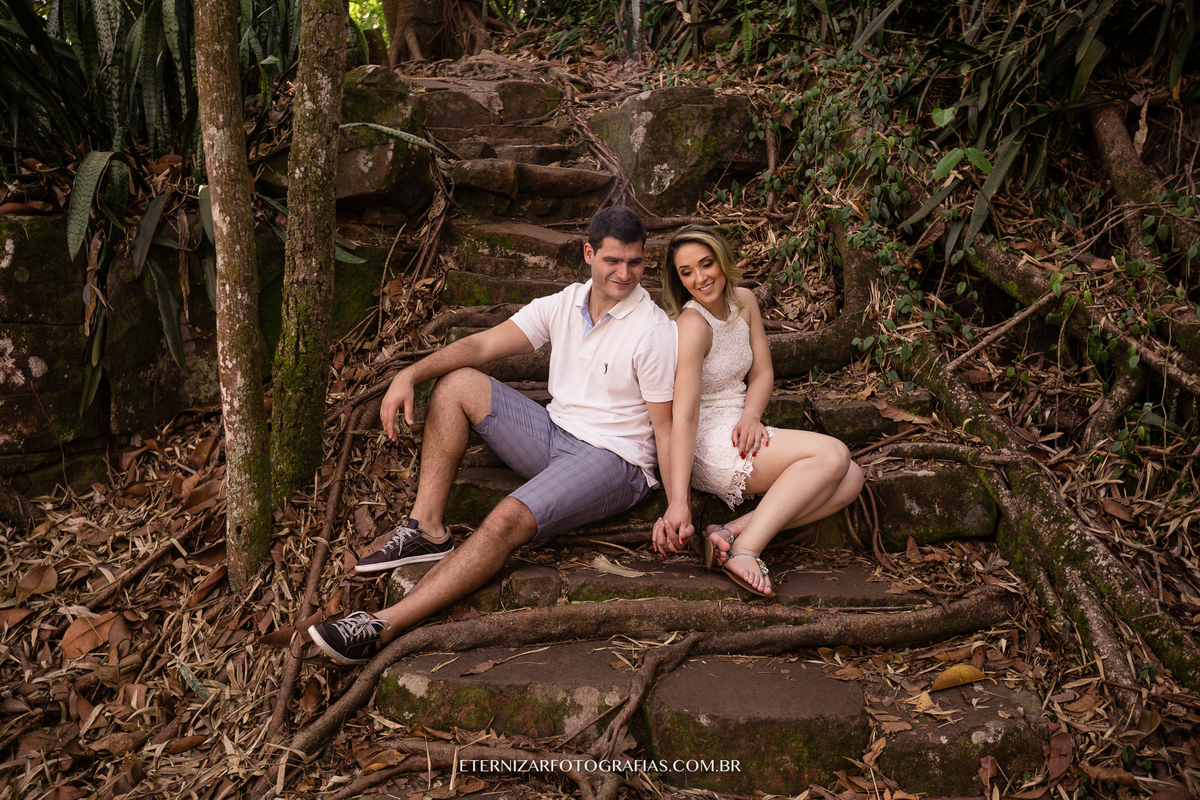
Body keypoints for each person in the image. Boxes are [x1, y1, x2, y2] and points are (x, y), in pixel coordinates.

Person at [308, 206, 682, 664]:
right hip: (554, 434)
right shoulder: (567, 303)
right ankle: (426, 529)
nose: (624, 274)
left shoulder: (652, 331)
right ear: (589, 254)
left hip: (614, 460)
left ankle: (383, 625)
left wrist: (677, 504)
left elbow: (666, 427)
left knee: (506, 518)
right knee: (456, 384)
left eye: (635, 262)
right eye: (613, 261)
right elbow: (481, 344)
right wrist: (409, 373)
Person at [653, 225, 863, 597]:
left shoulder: (745, 300)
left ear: (722, 260)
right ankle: (747, 550)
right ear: (679, 279)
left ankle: (732, 531)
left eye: (706, 264)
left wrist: (751, 416)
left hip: (742, 423)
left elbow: (762, 373)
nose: (700, 278)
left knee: (852, 479)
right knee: (833, 455)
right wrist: (678, 501)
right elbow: (683, 417)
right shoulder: (693, 325)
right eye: (687, 272)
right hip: (709, 442)